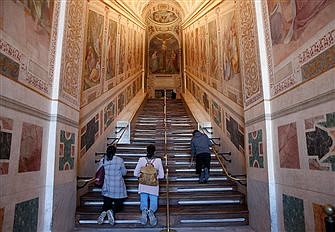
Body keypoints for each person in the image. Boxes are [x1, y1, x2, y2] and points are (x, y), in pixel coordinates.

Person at [134, 144, 164, 226]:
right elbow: (162, 176)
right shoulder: (158, 160)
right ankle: (151, 212)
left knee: (143, 200)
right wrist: (154, 177)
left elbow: (135, 173)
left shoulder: (141, 160)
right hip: (154, 186)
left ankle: (144, 212)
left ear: (146, 150)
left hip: (143, 185)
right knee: (153, 201)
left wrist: (142, 176)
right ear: (155, 151)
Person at [97, 145, 127, 225]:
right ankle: (111, 211)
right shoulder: (120, 160)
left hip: (106, 186)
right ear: (115, 151)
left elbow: (99, 171)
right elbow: (124, 173)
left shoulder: (103, 160)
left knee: (106, 204)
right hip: (118, 187)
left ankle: (104, 212)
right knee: (119, 206)